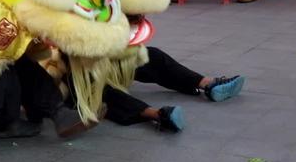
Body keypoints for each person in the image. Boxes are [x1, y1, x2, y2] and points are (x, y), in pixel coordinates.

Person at [102, 47, 246, 131]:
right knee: (99, 89)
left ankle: (208, 84)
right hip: (90, 76)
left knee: (151, 55)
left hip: (103, 62)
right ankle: (159, 115)